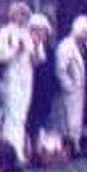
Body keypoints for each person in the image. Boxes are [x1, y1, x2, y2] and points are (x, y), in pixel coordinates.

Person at [0, 1, 35, 164]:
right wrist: (15, 51)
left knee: (22, 116)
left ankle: (19, 149)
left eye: (26, 14)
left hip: (27, 76)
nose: (24, 17)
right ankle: (11, 151)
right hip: (11, 77)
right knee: (12, 116)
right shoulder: (5, 32)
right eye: (21, 14)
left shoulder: (27, 33)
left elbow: (33, 55)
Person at [55, 15, 87, 158]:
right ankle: (71, 148)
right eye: (86, 33)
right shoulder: (66, 46)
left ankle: (77, 145)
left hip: (82, 87)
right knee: (70, 120)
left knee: (78, 119)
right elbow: (60, 69)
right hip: (71, 89)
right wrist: (68, 86)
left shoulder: (84, 46)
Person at [25, 13, 57, 163]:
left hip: (45, 90)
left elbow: (51, 68)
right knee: (32, 122)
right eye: (36, 31)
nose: (40, 34)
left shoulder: (49, 49)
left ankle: (42, 151)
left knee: (43, 121)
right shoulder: (29, 48)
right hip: (32, 89)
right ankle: (33, 151)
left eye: (43, 31)